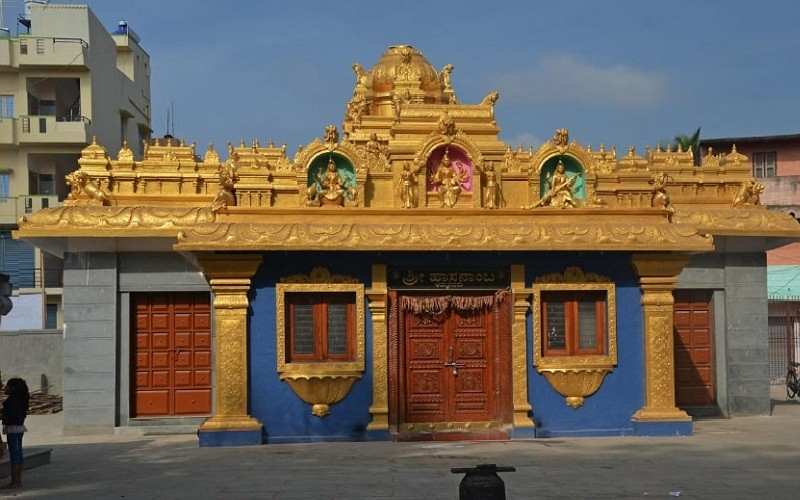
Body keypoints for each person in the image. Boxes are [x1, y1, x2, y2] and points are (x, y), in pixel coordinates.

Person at [0, 377, 29, 489]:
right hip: (18, 428)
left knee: (14, 454)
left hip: (13, 428)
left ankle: (15, 481)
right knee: (18, 453)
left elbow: (12, 415)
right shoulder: (20, 399)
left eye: (7, 385)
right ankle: (18, 480)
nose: (4, 387)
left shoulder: (12, 400)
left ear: (13, 388)